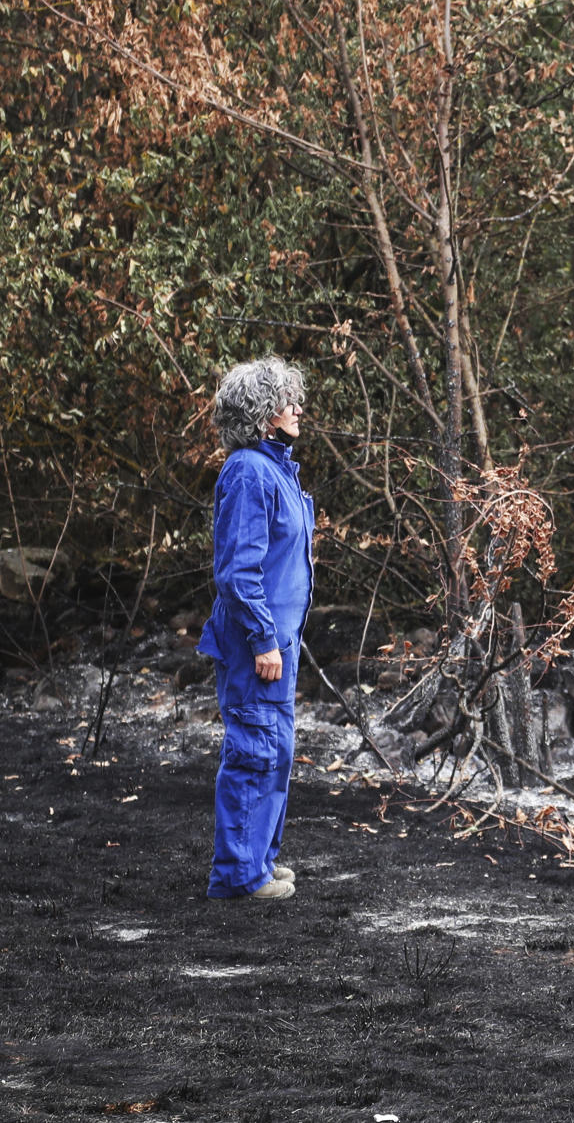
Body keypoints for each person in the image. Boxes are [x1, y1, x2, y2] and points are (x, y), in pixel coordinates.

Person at [196, 357, 314, 900]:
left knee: (277, 751)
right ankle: (238, 877)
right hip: (256, 648)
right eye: (285, 401)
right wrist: (264, 638)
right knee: (254, 752)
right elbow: (237, 571)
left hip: (278, 646)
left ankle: (259, 862)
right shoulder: (248, 470)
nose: (296, 408)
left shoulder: (277, 469)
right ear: (262, 415)